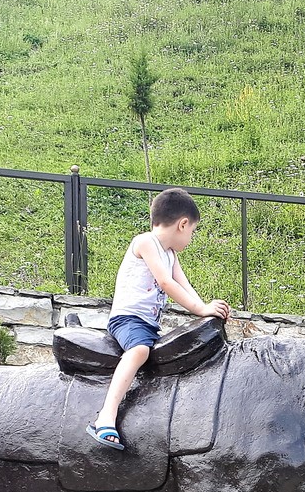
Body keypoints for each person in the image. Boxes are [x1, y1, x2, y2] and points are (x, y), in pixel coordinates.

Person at [90, 188, 229, 450]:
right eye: (193, 231)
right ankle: (105, 416)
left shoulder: (170, 254)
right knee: (139, 350)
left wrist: (206, 306)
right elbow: (166, 282)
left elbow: (183, 283)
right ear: (183, 224)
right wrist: (200, 309)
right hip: (128, 319)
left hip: (149, 324)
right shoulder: (145, 242)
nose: (191, 237)